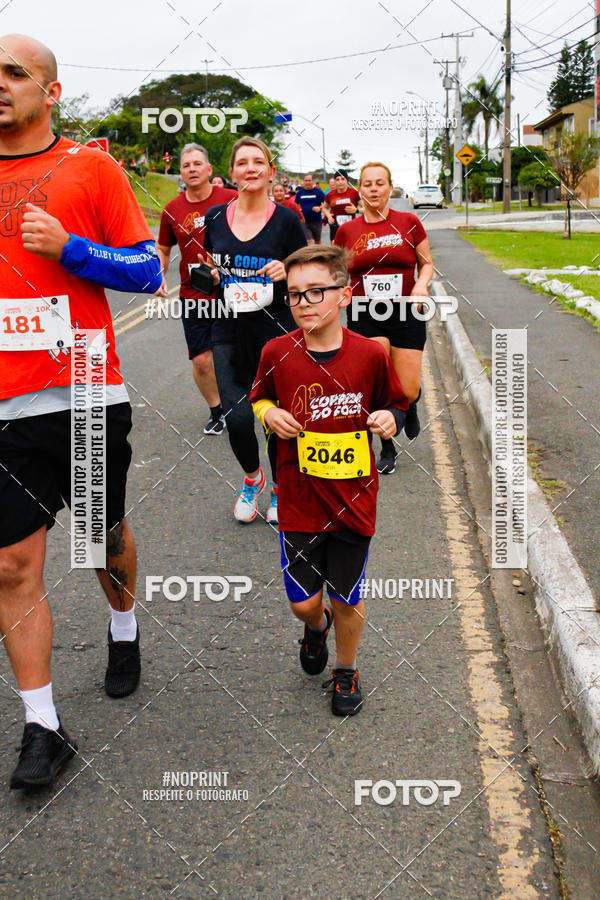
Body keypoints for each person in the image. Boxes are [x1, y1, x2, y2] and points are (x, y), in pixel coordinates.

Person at [0, 34, 162, 790]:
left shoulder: (90, 167)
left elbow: (148, 269)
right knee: (11, 564)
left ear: (52, 91)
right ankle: (43, 726)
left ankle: (123, 629)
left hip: (87, 391)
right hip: (4, 406)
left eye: (14, 73)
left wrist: (72, 249)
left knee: (100, 537)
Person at [250, 244, 407, 715]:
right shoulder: (276, 352)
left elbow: (397, 405)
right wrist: (271, 412)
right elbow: (260, 398)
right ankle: (313, 628)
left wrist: (387, 419)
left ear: (344, 294)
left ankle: (346, 669)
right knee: (304, 604)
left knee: (347, 596)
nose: (303, 303)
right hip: (297, 497)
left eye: (316, 292)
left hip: (354, 498)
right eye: (294, 295)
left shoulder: (369, 355)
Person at [203, 137, 306, 524]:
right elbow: (212, 267)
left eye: (258, 162)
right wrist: (212, 274)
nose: (250, 168)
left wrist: (288, 270)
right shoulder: (214, 217)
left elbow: (307, 270)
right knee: (238, 417)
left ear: (270, 171)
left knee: (277, 416)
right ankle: (253, 478)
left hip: (276, 330)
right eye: (242, 162)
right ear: (231, 172)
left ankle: (280, 488)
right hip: (227, 327)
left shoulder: (287, 220)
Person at [333, 161, 433, 473]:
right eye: (367, 184)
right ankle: (387, 448)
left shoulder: (409, 222)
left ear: (390, 188)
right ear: (359, 191)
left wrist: (420, 284)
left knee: (408, 389)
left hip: (406, 310)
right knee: (376, 381)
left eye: (380, 183)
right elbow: (337, 272)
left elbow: (426, 263)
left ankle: (410, 403)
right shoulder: (347, 231)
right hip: (365, 313)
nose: (374, 189)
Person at [157, 144, 236, 435]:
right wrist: (158, 274)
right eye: (186, 165)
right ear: (181, 172)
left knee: (235, 353)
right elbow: (163, 248)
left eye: (197, 164)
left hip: (232, 289)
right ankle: (218, 411)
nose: (191, 169)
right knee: (203, 360)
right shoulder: (172, 209)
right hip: (193, 294)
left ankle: (249, 399)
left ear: (208, 169)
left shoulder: (231, 199)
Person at [323, 170, 360, 241]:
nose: (340, 182)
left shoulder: (354, 193)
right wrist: (329, 216)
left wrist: (356, 210)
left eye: (343, 179)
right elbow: (325, 208)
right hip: (335, 227)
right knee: (336, 250)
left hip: (350, 228)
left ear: (347, 180)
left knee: (350, 250)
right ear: (335, 181)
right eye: (337, 179)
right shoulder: (330, 195)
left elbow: (366, 208)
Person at [294, 172, 325, 244]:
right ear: (303, 181)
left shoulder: (318, 192)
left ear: (312, 181)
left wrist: (319, 208)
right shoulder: (300, 192)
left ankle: (318, 255)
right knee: (308, 240)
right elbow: (296, 204)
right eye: (306, 181)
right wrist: (298, 212)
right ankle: (309, 255)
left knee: (317, 241)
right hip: (304, 221)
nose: (307, 182)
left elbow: (326, 204)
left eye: (309, 180)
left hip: (316, 221)